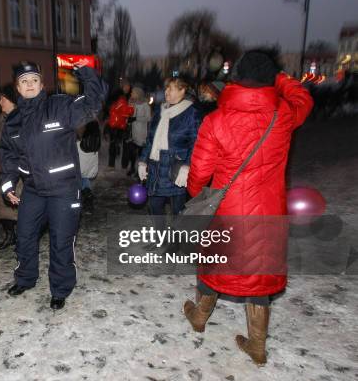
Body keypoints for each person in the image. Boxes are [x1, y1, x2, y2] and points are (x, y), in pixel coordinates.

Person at [183, 50, 313, 365]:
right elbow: (304, 100)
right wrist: (280, 78)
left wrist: (199, 196)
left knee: (213, 263)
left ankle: (200, 316)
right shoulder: (282, 114)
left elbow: (198, 176)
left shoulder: (216, 120)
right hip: (268, 211)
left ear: (236, 78)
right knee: (259, 273)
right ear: (269, 80)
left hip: (228, 211)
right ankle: (257, 346)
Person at [0, 61, 107, 310]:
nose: (29, 85)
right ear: (17, 87)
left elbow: (93, 104)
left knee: (61, 240)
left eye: (34, 80)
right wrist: (7, 186)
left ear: (42, 84)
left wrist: (85, 74)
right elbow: (9, 157)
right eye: (24, 81)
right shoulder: (13, 121)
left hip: (63, 189)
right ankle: (25, 279)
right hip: (33, 190)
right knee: (25, 236)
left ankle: (60, 289)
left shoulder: (59, 106)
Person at [137, 77, 200, 215]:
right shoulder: (160, 112)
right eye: (166, 88)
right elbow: (150, 140)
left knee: (178, 213)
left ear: (182, 90)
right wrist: (142, 161)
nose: (166, 91)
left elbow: (196, 143)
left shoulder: (191, 113)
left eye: (170, 88)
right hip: (156, 170)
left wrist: (187, 165)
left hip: (176, 172)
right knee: (155, 209)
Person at [0, 85, 20, 250]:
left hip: (17, 170)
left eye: (3, 98)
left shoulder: (21, 120)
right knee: (1, 206)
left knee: (17, 207)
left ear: (12, 100)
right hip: (2, 167)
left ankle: (23, 238)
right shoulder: (0, 120)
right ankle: (10, 236)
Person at [106, 80, 133, 168]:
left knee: (126, 145)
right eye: (126, 86)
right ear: (122, 86)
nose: (127, 88)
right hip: (115, 123)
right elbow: (109, 106)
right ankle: (111, 164)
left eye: (128, 87)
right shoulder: (116, 94)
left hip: (125, 124)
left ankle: (124, 165)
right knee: (113, 144)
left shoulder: (131, 95)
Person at [126, 86, 151, 177]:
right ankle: (132, 168)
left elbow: (148, 118)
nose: (131, 93)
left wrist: (136, 118)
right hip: (133, 132)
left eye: (133, 92)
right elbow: (129, 114)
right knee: (132, 153)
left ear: (138, 94)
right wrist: (128, 119)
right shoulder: (132, 103)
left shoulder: (145, 105)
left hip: (142, 133)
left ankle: (139, 171)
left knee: (141, 154)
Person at [76, 120, 100, 212]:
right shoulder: (95, 145)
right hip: (90, 170)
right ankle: (88, 196)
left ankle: (85, 196)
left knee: (81, 181)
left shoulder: (78, 144)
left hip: (80, 170)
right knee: (85, 180)